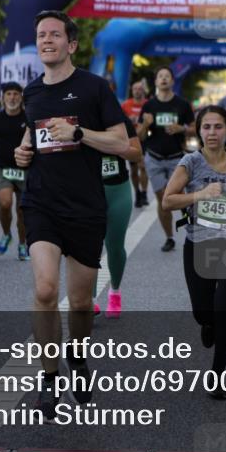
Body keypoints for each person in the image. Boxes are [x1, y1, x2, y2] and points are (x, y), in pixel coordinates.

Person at [12, 10, 129, 418]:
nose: (46, 40)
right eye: (40, 34)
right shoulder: (31, 92)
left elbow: (123, 144)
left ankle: (77, 361)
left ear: (71, 44)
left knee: (80, 303)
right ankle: (48, 378)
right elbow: (32, 135)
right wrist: (22, 151)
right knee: (45, 290)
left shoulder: (95, 89)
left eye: (54, 35)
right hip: (41, 201)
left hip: (85, 207)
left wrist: (80, 133)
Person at [161, 105, 226, 399]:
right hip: (198, 246)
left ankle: (217, 376)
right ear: (198, 130)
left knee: (225, 309)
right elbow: (168, 201)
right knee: (203, 312)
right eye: (206, 127)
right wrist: (199, 195)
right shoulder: (190, 163)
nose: (212, 133)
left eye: (218, 127)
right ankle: (206, 323)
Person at [137, 66, 194, 252]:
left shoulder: (182, 105)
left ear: (172, 81)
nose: (163, 79)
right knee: (164, 200)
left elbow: (195, 128)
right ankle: (169, 237)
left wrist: (182, 129)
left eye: (167, 76)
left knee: (179, 196)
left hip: (177, 158)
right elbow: (140, 135)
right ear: (155, 82)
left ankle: (191, 227)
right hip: (154, 158)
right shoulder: (149, 106)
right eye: (160, 76)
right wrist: (145, 124)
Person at [95, 115, 143, 317]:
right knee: (88, 246)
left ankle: (115, 291)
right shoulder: (77, 117)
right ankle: (88, 299)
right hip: (88, 190)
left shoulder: (119, 120)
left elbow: (137, 154)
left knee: (114, 245)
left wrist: (111, 145)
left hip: (118, 189)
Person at [0, 82, 29, 261]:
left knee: (22, 210)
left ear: (21, 97)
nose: (12, 97)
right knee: (5, 204)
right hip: (2, 168)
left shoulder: (28, 118)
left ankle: (22, 244)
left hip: (25, 170)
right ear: (3, 98)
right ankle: (6, 234)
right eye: (9, 94)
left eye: (16, 94)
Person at [121, 80, 150, 207]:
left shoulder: (148, 104)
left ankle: (144, 193)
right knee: (133, 170)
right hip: (131, 139)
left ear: (144, 91)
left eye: (140, 89)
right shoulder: (126, 105)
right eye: (135, 89)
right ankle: (137, 192)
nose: (137, 91)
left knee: (143, 167)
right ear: (132, 91)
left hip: (145, 139)